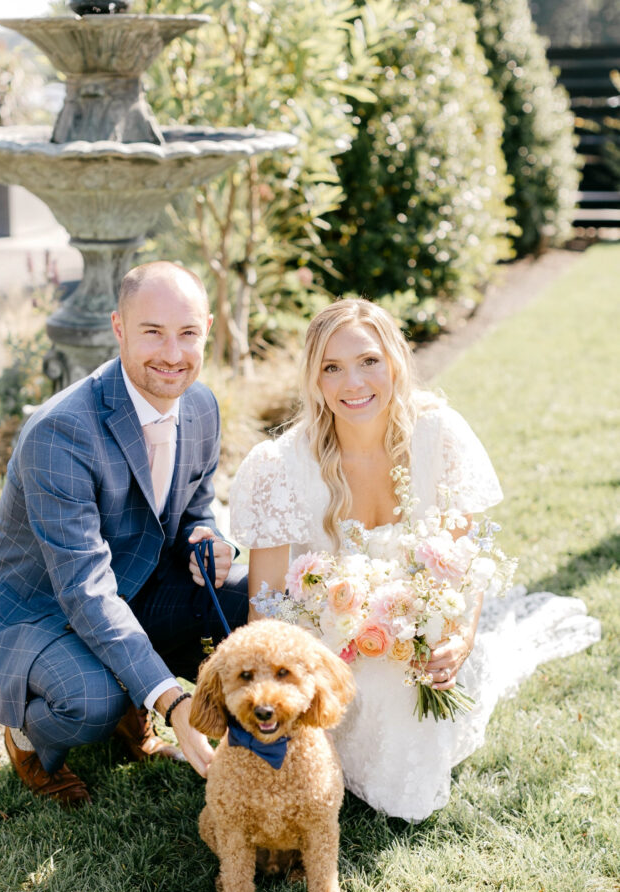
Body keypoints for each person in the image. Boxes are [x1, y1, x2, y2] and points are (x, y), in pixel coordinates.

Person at [229, 298, 600, 822]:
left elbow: (463, 566)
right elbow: (265, 610)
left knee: (404, 697)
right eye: (331, 368)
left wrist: (461, 639)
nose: (352, 383)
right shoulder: (279, 466)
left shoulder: (439, 435)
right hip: (326, 648)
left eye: (368, 361)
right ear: (314, 380)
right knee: (361, 695)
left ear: (396, 361)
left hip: (418, 635)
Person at [0, 261, 248, 805]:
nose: (172, 353)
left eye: (187, 332)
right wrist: (173, 704)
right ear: (119, 328)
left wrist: (209, 536)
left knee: (245, 593)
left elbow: (197, 508)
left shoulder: (202, 405)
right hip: (39, 602)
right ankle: (28, 736)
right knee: (90, 699)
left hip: (135, 583)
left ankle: (129, 699)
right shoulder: (61, 431)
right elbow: (84, 588)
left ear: (208, 326)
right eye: (152, 332)